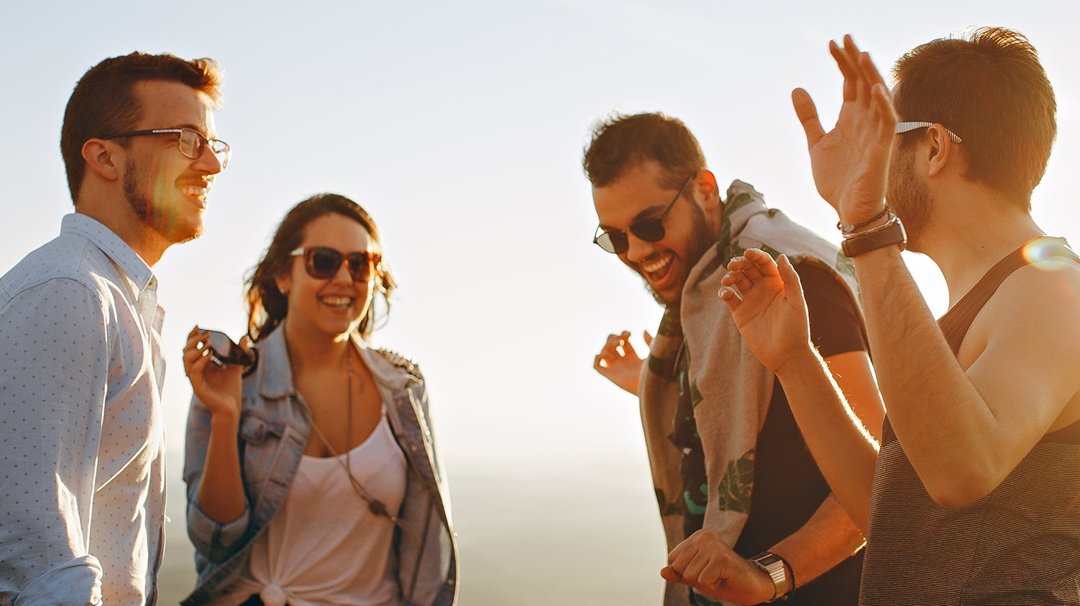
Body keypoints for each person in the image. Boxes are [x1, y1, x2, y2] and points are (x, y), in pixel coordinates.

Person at [692, 29, 1080, 604]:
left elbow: (960, 473)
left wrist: (866, 226)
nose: (868, 160)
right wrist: (796, 361)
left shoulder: (1054, 288)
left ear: (934, 147)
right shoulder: (991, 303)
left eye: (884, 138)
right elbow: (897, 516)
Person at [585, 112, 883, 605]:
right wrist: (655, 383)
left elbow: (879, 475)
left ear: (704, 189)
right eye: (615, 238)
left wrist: (771, 574)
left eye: (650, 224)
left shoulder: (788, 279)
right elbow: (750, 404)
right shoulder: (705, 293)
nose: (637, 251)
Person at [0, 52, 226, 604]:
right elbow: (36, 561)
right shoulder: (70, 293)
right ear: (103, 156)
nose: (212, 167)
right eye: (186, 140)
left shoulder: (119, 299)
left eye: (213, 145)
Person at [181, 193, 457, 606]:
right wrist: (225, 416)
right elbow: (214, 541)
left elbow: (427, 558)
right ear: (282, 275)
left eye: (361, 264)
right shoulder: (234, 381)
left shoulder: (404, 390)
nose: (345, 279)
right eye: (323, 261)